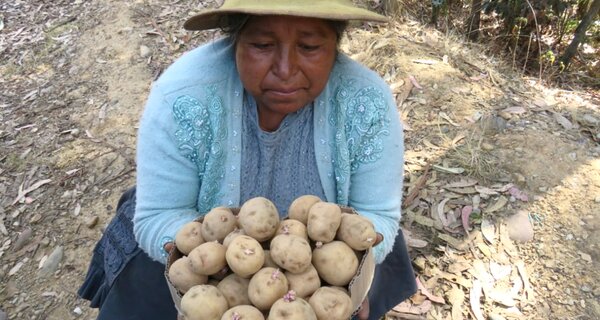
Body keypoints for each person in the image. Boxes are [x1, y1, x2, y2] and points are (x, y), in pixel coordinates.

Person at [78, 0, 417, 319]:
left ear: (336, 46)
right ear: (234, 39)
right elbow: (160, 214)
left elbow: (377, 214)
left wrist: (352, 280)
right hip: (206, 255)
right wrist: (204, 265)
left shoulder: (367, 102)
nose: (285, 70)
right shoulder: (182, 96)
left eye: (310, 47)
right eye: (262, 46)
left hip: (324, 259)